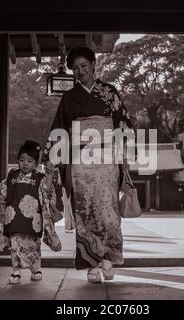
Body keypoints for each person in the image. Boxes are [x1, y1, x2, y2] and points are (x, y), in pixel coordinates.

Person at [43, 46, 133, 283]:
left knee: (109, 213)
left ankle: (108, 259)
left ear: (94, 65)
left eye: (84, 66)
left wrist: (124, 155)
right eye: (75, 69)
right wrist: (51, 160)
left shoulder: (109, 92)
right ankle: (92, 264)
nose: (80, 71)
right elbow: (59, 129)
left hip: (107, 163)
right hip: (81, 164)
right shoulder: (70, 98)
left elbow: (123, 124)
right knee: (85, 213)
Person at [0, 140, 61, 285]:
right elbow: (2, 190)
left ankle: (36, 269)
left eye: (30, 161)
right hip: (14, 217)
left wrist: (50, 174)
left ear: (36, 163)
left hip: (33, 220)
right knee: (16, 245)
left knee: (33, 245)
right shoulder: (12, 175)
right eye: (21, 160)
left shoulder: (39, 178)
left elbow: (47, 190)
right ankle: (16, 271)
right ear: (18, 160)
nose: (25, 163)